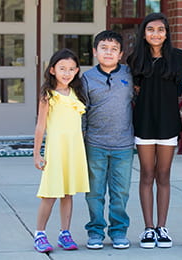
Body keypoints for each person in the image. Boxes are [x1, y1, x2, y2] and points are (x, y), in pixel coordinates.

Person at [127, 12, 182, 249]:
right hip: (144, 123)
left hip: (167, 124)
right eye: (151, 29)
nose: (156, 34)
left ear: (167, 33)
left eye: (160, 30)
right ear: (144, 32)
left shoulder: (179, 58)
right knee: (146, 174)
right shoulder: (135, 59)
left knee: (163, 175)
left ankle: (162, 228)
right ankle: (148, 228)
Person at [82, 30, 135, 250]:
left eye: (114, 49)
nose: (108, 52)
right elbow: (82, 111)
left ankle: (118, 231)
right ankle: (95, 231)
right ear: (95, 52)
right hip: (95, 144)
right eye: (104, 48)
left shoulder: (130, 74)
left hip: (123, 144)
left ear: (121, 54)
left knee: (120, 191)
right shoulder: (86, 78)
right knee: (94, 192)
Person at [32, 48, 89, 253]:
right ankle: (40, 233)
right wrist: (37, 153)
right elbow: (40, 126)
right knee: (50, 193)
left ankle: (65, 233)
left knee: (67, 193)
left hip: (73, 150)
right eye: (62, 68)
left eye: (71, 69)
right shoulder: (48, 95)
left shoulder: (77, 92)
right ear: (53, 70)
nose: (67, 73)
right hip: (56, 150)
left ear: (76, 71)